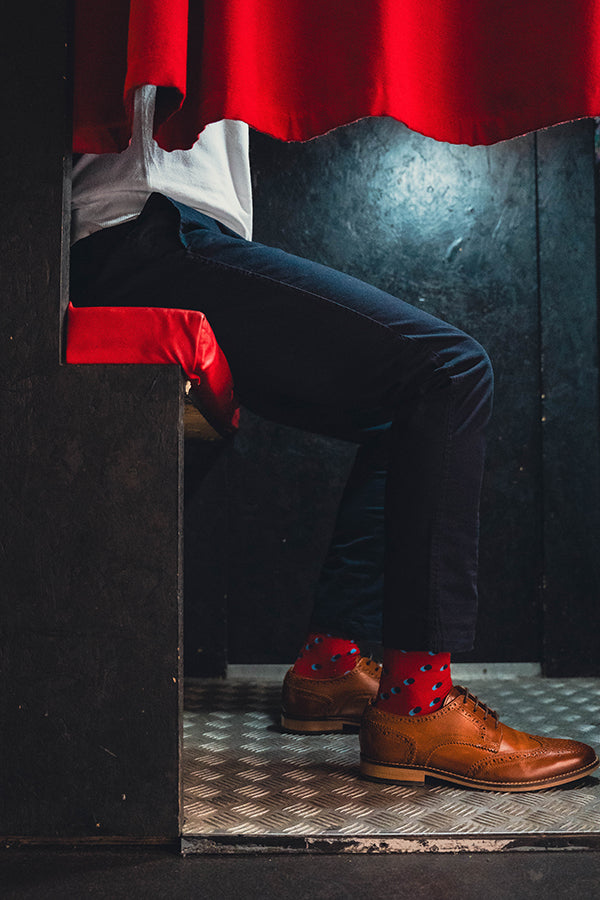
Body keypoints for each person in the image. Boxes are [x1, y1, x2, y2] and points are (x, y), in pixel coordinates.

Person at [70, 84, 598, 792]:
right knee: (450, 372)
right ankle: (420, 707)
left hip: (173, 235)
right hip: (146, 232)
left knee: (404, 417)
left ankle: (329, 670)